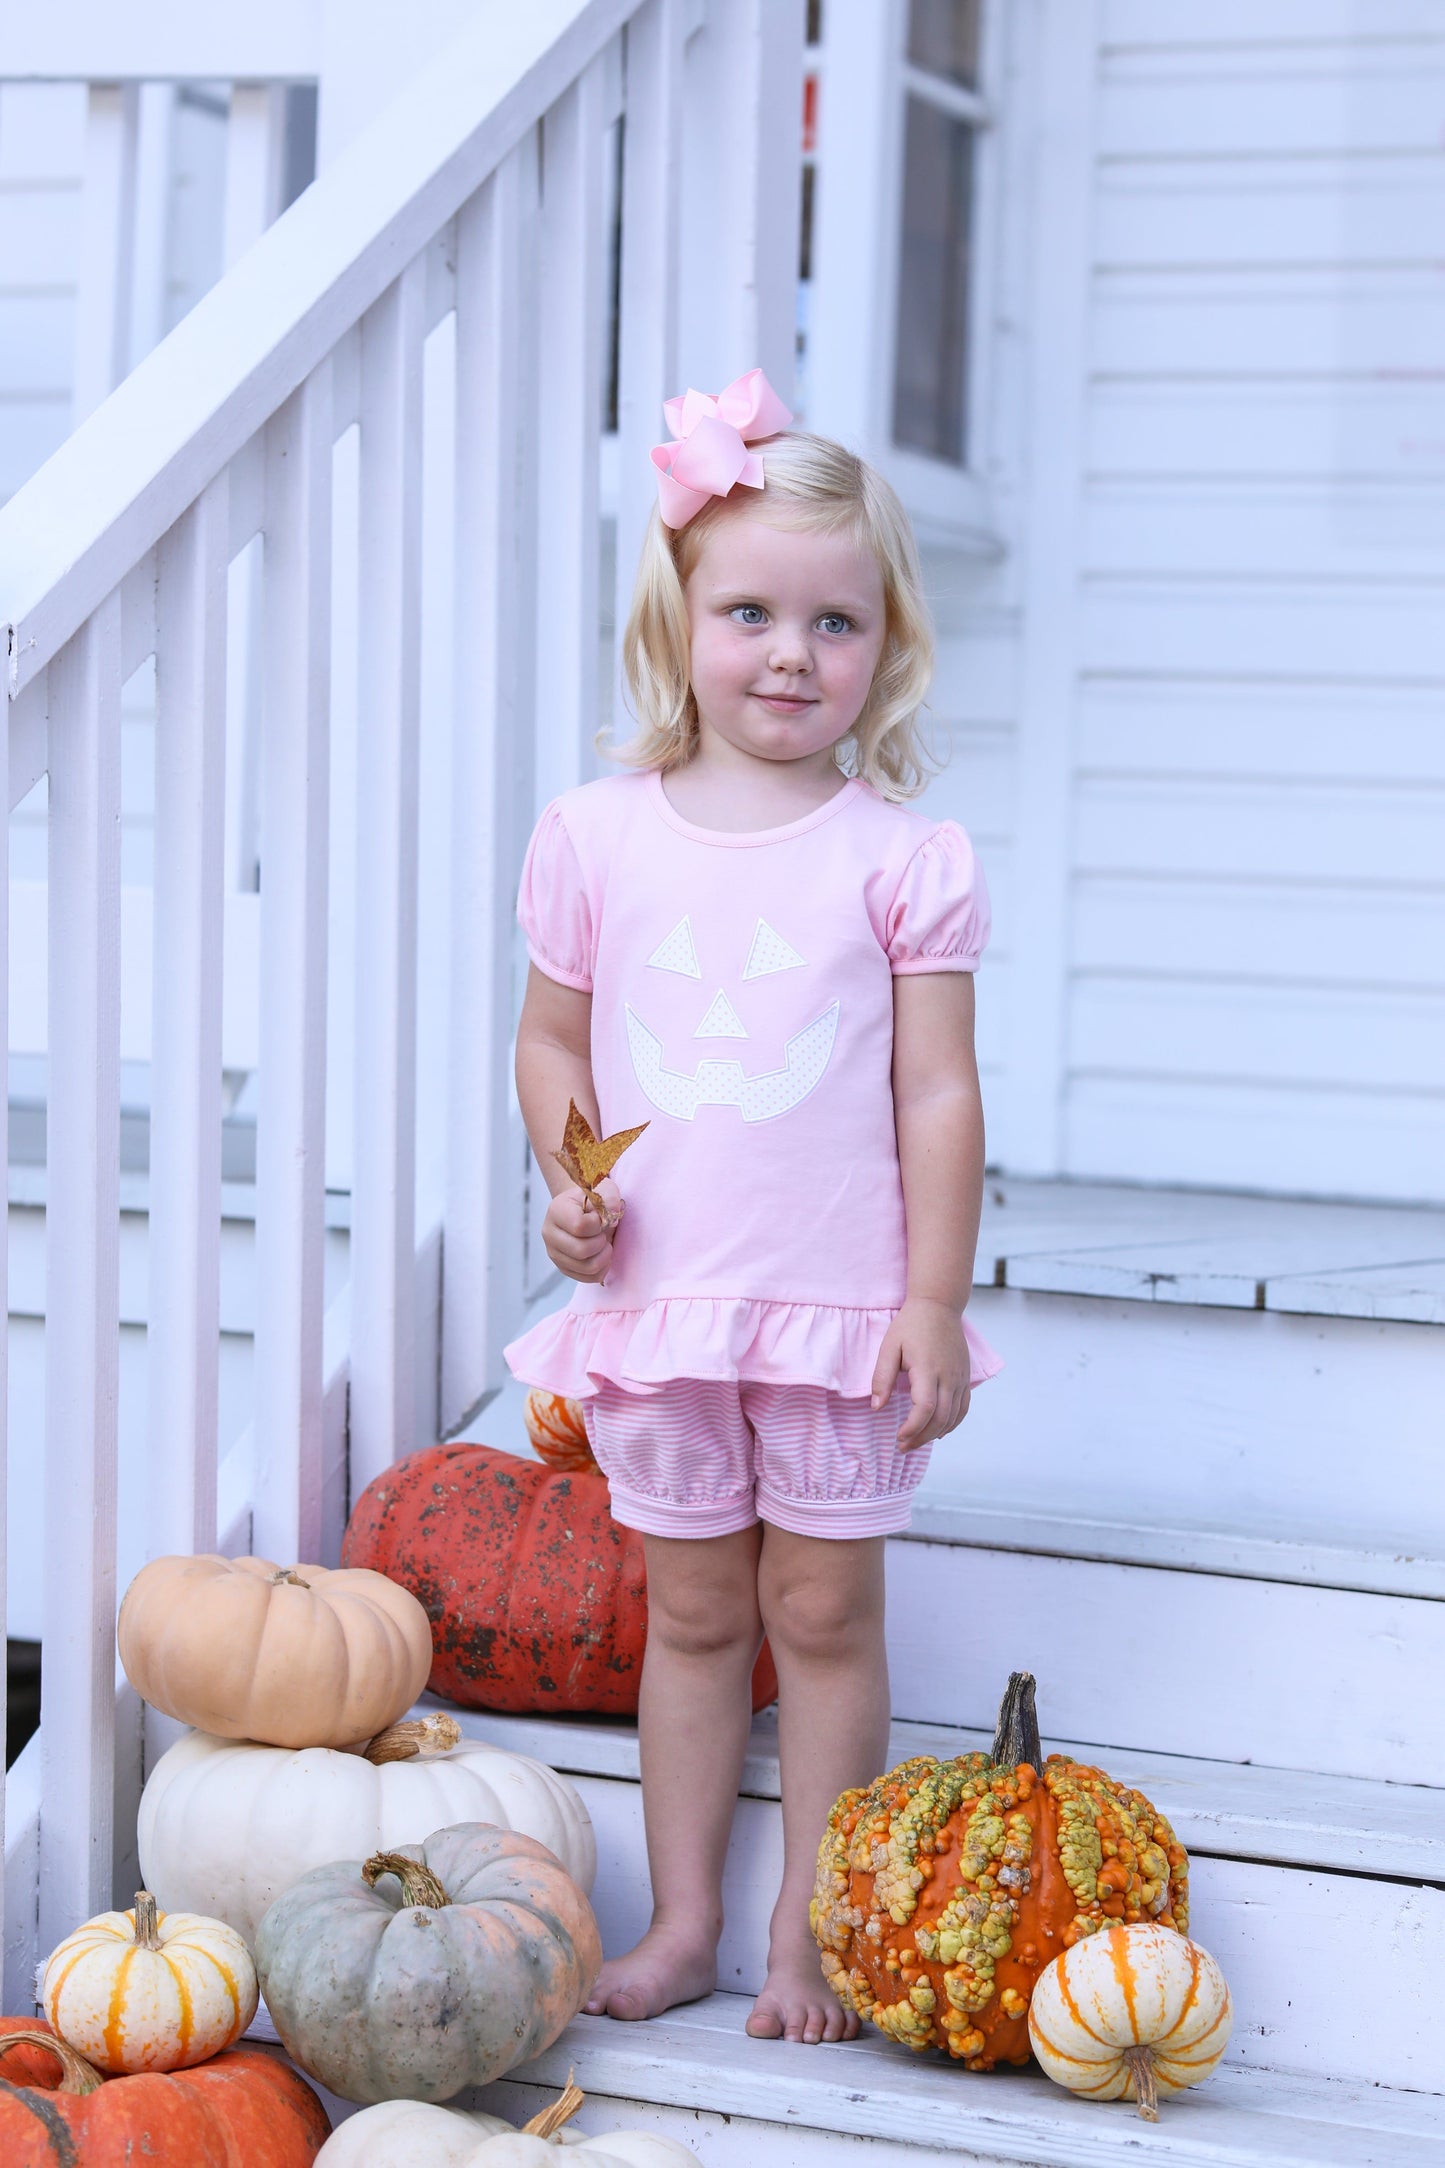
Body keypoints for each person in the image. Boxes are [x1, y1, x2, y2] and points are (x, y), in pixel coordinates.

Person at [503, 369, 1000, 2047]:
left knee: (822, 1611)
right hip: (663, 1295)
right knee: (699, 1614)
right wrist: (572, 1192)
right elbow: (556, 1037)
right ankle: (690, 1922)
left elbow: (935, 1092)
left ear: (886, 643)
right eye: (750, 612)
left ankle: (810, 1941)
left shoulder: (899, 858)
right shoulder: (593, 835)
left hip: (838, 1306)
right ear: (679, 619)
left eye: (834, 621)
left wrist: (931, 1300)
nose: (790, 653)